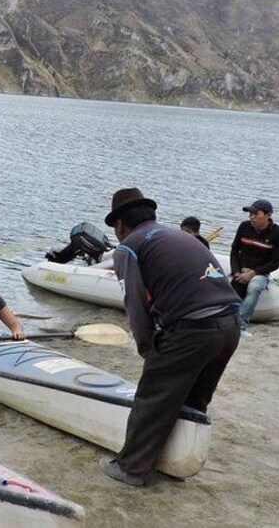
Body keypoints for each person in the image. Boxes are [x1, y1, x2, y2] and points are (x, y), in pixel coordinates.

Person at [100, 188, 241, 487]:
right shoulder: (180, 236)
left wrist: (147, 349)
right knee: (193, 398)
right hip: (231, 325)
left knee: (152, 398)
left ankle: (131, 469)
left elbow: (135, 305)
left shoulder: (128, 248)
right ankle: (178, 457)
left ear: (121, 225)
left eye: (115, 228)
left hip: (193, 330)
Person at [230, 199, 279, 337]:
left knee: (254, 287)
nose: (251, 217)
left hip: (260, 273)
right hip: (241, 270)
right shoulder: (244, 227)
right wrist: (236, 271)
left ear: (268, 215)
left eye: (256, 214)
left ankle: (242, 325)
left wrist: (253, 273)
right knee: (231, 289)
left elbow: (275, 262)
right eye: (250, 214)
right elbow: (234, 251)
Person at [45, 222, 114, 265]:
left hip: (82, 240)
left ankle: (57, 259)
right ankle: (56, 261)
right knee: (74, 249)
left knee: (75, 248)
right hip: (81, 241)